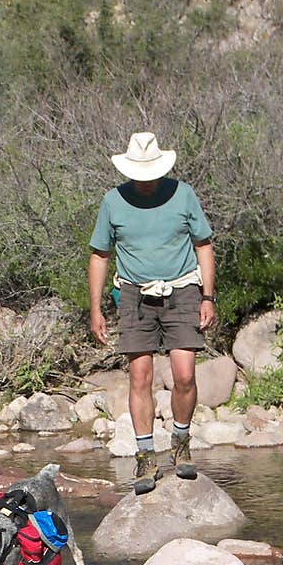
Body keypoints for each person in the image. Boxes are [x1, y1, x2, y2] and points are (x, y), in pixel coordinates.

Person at [88, 131, 216, 494]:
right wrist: (95, 308)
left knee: (184, 374)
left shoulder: (183, 194)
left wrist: (208, 297)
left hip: (183, 289)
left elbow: (203, 245)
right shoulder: (113, 201)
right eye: (139, 175)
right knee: (140, 375)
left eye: (150, 174)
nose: (145, 182)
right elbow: (100, 254)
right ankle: (145, 455)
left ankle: (181, 442)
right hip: (133, 293)